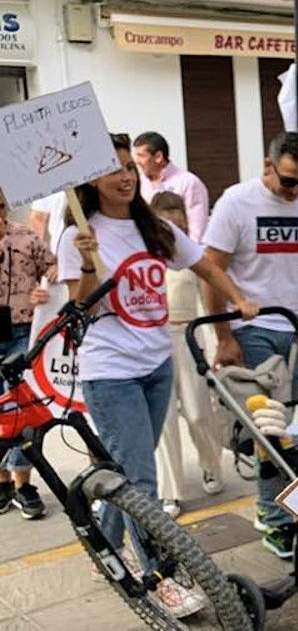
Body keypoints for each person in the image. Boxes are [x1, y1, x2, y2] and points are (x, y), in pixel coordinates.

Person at [59, 133, 257, 618]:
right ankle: (159, 577)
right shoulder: (77, 234)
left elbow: (204, 264)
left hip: (156, 361)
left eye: (129, 167)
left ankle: (104, 547)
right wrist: (86, 259)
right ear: (91, 181)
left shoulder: (154, 228)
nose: (125, 176)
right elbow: (78, 307)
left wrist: (237, 298)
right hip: (111, 371)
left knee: (127, 471)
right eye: (114, 169)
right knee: (140, 482)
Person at [203, 131, 298, 559]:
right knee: (273, 427)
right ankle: (272, 515)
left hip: (295, 326)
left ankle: (283, 501)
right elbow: (211, 269)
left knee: (290, 425)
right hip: (252, 327)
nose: (296, 191)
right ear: (267, 167)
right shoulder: (235, 203)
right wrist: (223, 337)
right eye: (288, 182)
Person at [149, 192, 225, 519]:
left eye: (179, 223)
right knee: (163, 421)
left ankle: (211, 464)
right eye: (167, 224)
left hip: (188, 338)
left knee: (197, 413)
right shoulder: (144, 257)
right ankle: (171, 490)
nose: (174, 230)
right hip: (154, 343)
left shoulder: (192, 256)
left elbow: (206, 304)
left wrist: (210, 346)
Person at [0, 188, 54, 519]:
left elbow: (53, 269)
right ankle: (2, 480)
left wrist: (45, 289)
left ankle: (24, 483)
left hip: (23, 330)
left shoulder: (25, 236)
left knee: (25, 407)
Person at [134, 132, 210, 242]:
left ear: (158, 157)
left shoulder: (188, 182)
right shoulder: (139, 183)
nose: (137, 161)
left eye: (141, 156)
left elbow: (197, 231)